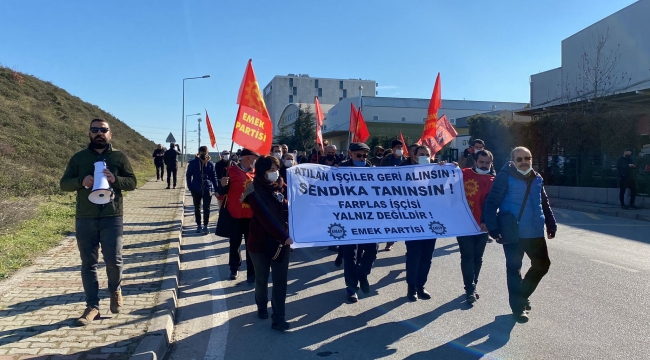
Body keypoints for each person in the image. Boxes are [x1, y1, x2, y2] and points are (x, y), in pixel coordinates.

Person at [60, 118, 137, 326]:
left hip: (112, 216)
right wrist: (80, 182)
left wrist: (115, 180)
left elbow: (132, 182)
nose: (99, 133)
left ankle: (115, 290)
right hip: (85, 218)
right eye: (95, 130)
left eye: (103, 130)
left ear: (110, 134)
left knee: (114, 260)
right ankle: (92, 306)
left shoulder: (119, 157)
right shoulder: (79, 158)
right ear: (89, 133)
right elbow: (64, 184)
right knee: (88, 264)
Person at [484, 146, 556, 323]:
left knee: (542, 265)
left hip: (535, 232)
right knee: (514, 270)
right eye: (520, 159)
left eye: (527, 158)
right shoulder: (505, 176)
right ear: (513, 161)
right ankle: (518, 308)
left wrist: (551, 223)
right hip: (512, 231)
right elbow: (491, 202)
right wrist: (493, 228)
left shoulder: (537, 177)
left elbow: (544, 202)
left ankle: (521, 295)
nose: (524, 162)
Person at [242, 156, 293, 332]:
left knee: (280, 281)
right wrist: (283, 236)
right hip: (260, 243)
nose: (275, 173)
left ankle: (279, 318)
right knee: (261, 279)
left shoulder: (283, 186)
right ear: (262, 172)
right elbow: (265, 218)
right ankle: (261, 306)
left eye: (276, 169)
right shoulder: (253, 191)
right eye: (271, 170)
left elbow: (294, 208)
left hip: (282, 243)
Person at [339, 142, 379, 303]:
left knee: (372, 250)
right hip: (348, 218)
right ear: (350, 154)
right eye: (358, 155)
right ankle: (351, 289)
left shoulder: (373, 170)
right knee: (350, 255)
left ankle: (363, 274)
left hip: (369, 218)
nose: (362, 158)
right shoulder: (340, 170)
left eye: (364, 155)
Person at [457, 150, 495, 304]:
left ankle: (474, 284)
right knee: (467, 256)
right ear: (476, 162)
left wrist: (488, 222)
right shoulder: (463, 174)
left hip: (482, 226)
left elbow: (492, 204)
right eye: (481, 162)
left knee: (478, 258)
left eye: (487, 163)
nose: (484, 165)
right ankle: (470, 288)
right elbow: (443, 178)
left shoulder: (494, 180)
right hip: (463, 224)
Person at [217, 148, 259, 283]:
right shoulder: (232, 171)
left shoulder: (257, 173)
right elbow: (222, 191)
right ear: (248, 158)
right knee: (234, 244)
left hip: (252, 216)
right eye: (255, 158)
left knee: (251, 245)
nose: (256, 161)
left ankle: (252, 273)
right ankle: (234, 268)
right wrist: (222, 185)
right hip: (234, 214)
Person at [402, 145, 437, 301]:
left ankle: (421, 285)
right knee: (414, 255)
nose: (424, 156)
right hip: (412, 222)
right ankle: (411, 288)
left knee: (426, 256)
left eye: (427, 154)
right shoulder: (404, 172)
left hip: (430, 222)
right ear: (415, 157)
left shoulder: (437, 172)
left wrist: (452, 168)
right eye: (421, 154)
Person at [380, 140, 406, 251]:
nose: (400, 148)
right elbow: (380, 175)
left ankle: (390, 241)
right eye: (397, 147)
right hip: (388, 193)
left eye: (401, 146)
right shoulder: (385, 160)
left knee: (397, 218)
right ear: (393, 149)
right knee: (388, 217)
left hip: (403, 194)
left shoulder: (406, 160)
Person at [186, 146, 218, 234]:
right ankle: (199, 225)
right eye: (202, 152)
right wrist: (190, 187)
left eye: (205, 152)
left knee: (206, 208)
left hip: (207, 188)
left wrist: (216, 189)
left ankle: (206, 226)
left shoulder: (210, 164)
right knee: (197, 208)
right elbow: (188, 175)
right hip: (196, 188)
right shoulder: (193, 163)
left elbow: (214, 177)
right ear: (199, 152)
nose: (204, 154)